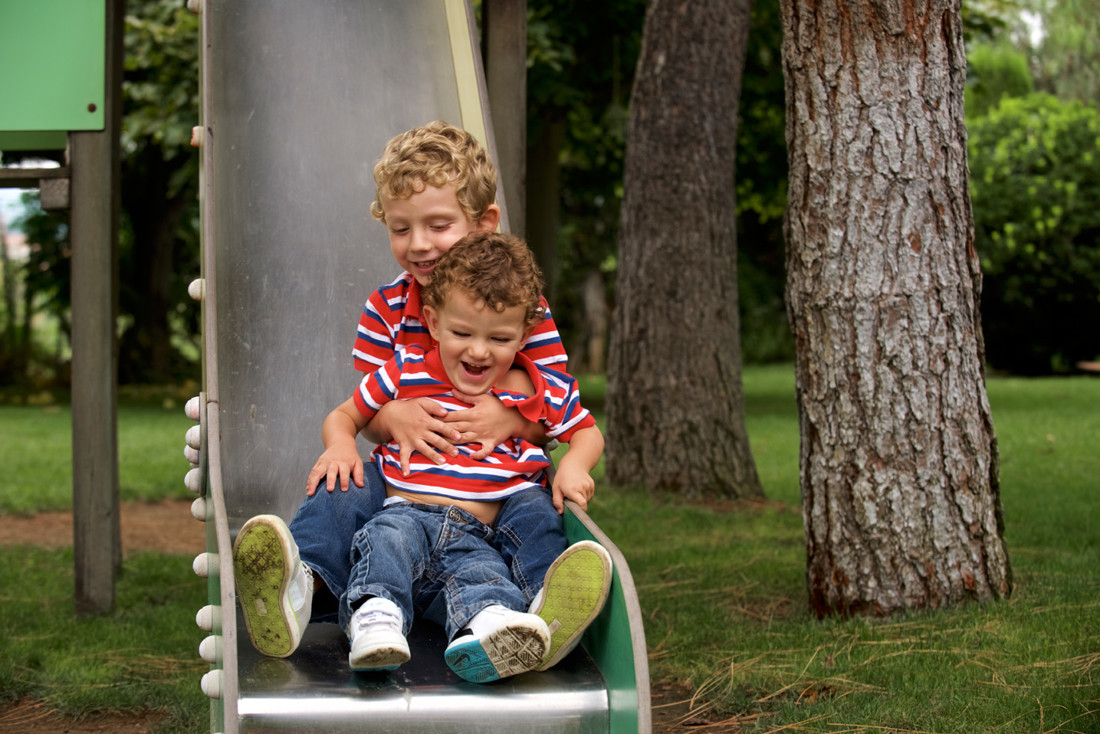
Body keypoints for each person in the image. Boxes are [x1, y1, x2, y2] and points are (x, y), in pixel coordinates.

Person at [233, 122, 610, 671]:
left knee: (535, 510)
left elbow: (555, 405)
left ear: (484, 224)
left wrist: (510, 418)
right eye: (401, 228)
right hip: (408, 473)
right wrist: (393, 416)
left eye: (439, 225)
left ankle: (538, 606)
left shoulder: (522, 308)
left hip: (495, 482)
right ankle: (302, 584)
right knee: (346, 485)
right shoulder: (386, 310)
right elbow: (367, 410)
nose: (419, 244)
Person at [334, 232, 608, 681]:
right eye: (462, 333)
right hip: (408, 511)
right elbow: (346, 415)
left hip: (477, 534)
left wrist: (574, 466)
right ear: (434, 322)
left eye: (500, 338)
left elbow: (587, 431)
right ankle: (376, 625)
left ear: (524, 335)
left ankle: (498, 632)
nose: (479, 351)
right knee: (386, 545)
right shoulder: (404, 371)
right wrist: (341, 443)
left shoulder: (535, 387)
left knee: (484, 579)